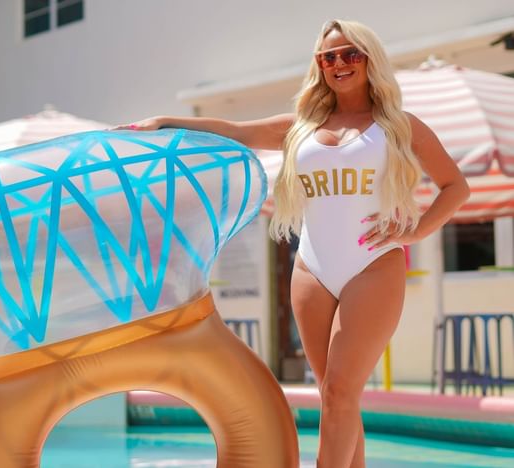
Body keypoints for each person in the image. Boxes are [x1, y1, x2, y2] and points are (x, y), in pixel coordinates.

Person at [114, 18, 470, 468]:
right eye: (329, 57)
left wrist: (416, 230)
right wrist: (166, 122)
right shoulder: (301, 127)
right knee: (334, 396)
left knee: (341, 390)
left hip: (374, 265)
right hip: (311, 269)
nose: (339, 63)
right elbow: (235, 130)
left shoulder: (398, 125)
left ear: (369, 59)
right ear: (319, 65)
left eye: (350, 54)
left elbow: (455, 186)